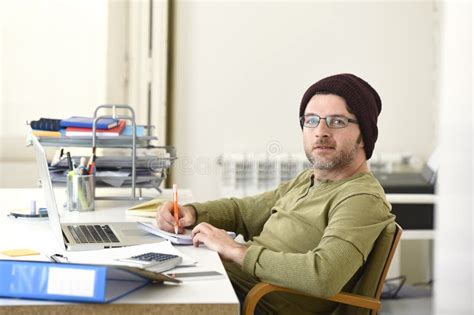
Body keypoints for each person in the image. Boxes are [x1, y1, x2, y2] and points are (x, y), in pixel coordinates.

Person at [156, 73, 395, 314]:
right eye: (311, 120)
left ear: (363, 135)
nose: (320, 131)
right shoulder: (308, 180)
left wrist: (237, 251)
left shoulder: (361, 199)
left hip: (256, 304)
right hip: (232, 286)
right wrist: (191, 212)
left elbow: (323, 276)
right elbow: (243, 212)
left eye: (337, 121)